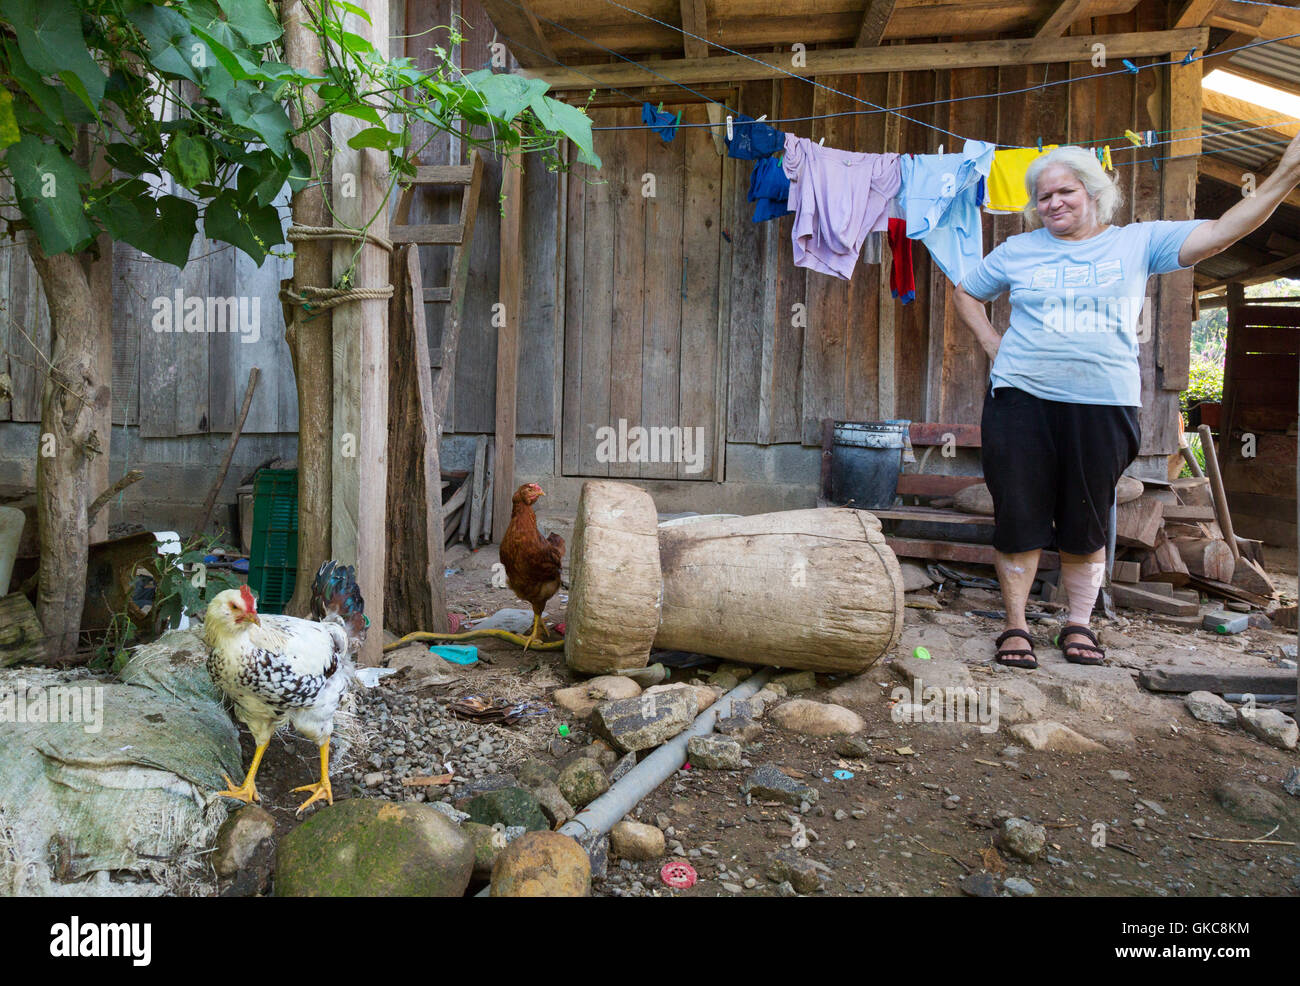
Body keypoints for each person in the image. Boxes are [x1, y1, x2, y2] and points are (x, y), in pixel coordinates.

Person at [953, 133, 1300, 669]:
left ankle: (1078, 624)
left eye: (1064, 191)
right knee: (1018, 515)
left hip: (1102, 404)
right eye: (1043, 197)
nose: (1053, 204)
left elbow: (1221, 232)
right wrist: (991, 342)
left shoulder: (1136, 242)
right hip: (1020, 401)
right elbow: (966, 291)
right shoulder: (1018, 250)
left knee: (1086, 519)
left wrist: (1285, 176)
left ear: (1093, 192)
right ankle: (1016, 626)